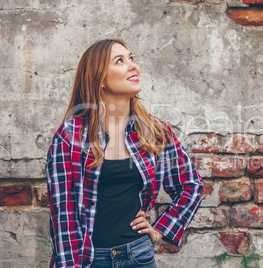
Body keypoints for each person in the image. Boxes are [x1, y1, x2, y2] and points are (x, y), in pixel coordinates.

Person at [46, 39, 204, 267]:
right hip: (89, 260)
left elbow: (191, 186)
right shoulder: (70, 136)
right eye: (120, 61)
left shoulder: (155, 132)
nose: (133, 66)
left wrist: (160, 230)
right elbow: (64, 218)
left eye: (131, 58)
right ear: (99, 78)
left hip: (138, 257)